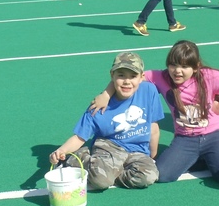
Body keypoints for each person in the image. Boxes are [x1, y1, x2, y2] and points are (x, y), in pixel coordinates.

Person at [91, 40, 219, 184]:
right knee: (163, 175)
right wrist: (106, 94)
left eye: (184, 67)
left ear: (196, 67)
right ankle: (202, 157)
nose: (177, 71)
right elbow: (131, 77)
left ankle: (210, 155)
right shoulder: (161, 77)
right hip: (186, 138)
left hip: (215, 134)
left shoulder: (207, 75)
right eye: (173, 65)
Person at [49, 52, 164, 190]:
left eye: (133, 76)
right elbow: (80, 137)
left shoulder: (149, 91)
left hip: (138, 150)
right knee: (100, 182)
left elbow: (153, 127)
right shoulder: (98, 106)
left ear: (141, 77)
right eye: (121, 75)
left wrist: (153, 155)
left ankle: (110, 173)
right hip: (110, 147)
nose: (127, 81)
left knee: (148, 177)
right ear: (112, 75)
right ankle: (78, 159)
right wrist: (62, 150)